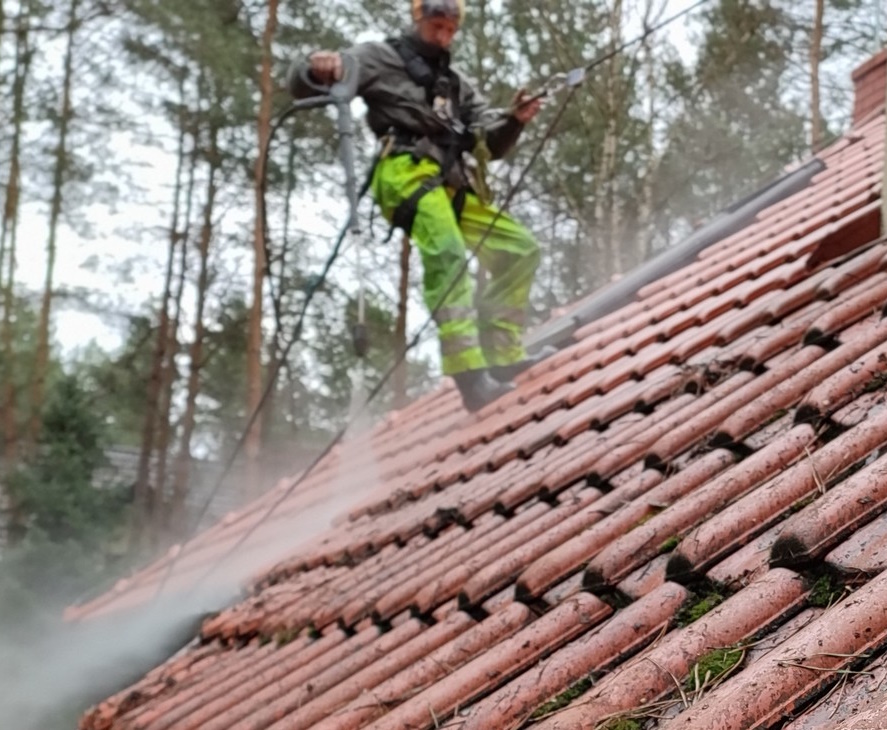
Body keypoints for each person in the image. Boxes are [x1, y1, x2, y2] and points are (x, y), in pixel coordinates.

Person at [288, 0, 553, 411]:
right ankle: (470, 376)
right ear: (418, 19)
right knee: (447, 252)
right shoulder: (379, 57)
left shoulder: (456, 84)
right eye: (436, 27)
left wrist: (515, 119)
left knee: (520, 249)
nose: (443, 36)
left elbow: (489, 141)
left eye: (450, 30)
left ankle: (503, 354)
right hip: (403, 171)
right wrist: (316, 66)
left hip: (450, 181)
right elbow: (309, 81)